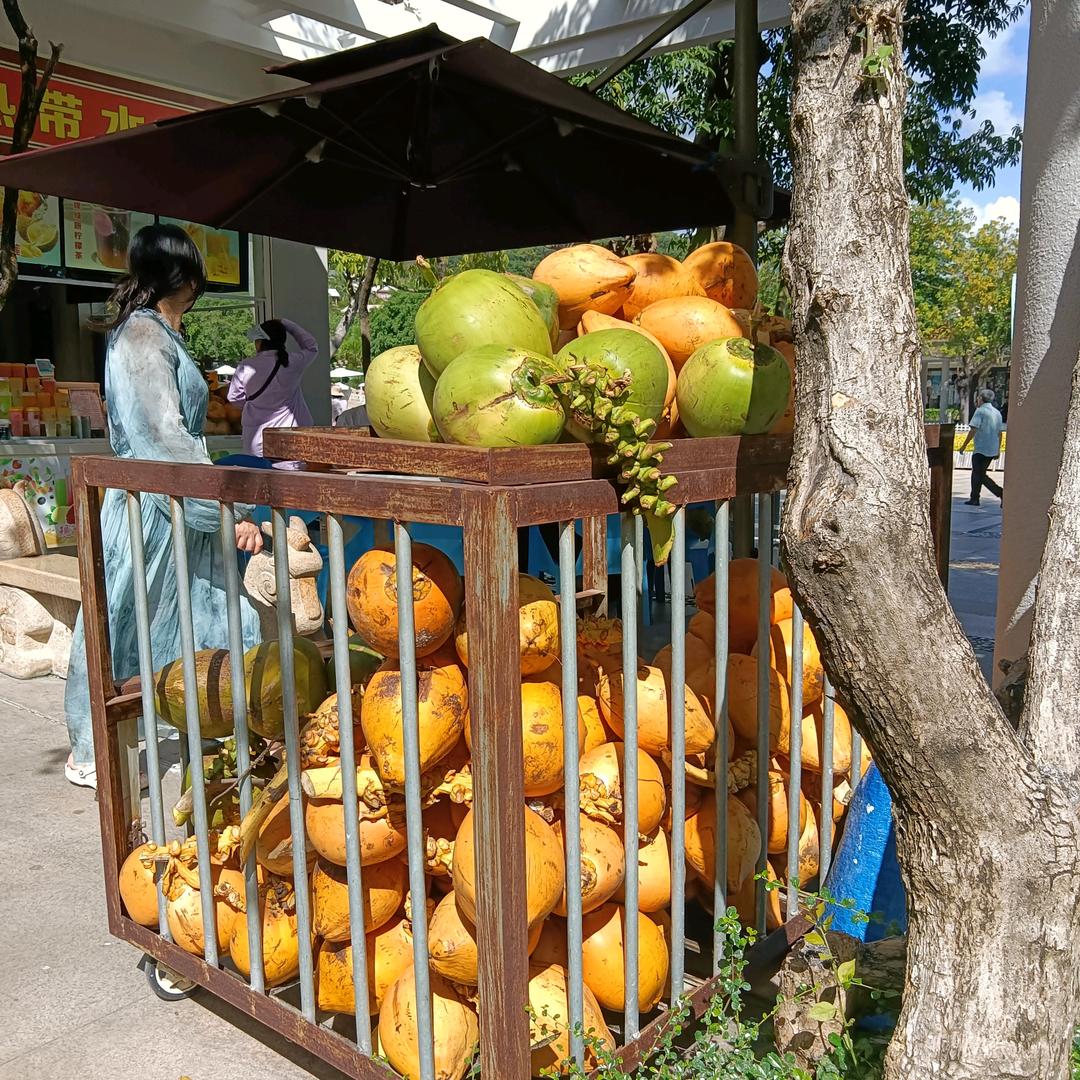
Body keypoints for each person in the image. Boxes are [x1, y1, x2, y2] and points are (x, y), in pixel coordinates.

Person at [64, 224, 264, 789]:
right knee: (127, 624)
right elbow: (164, 441)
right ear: (187, 278)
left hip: (171, 502)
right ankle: (96, 747)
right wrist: (226, 512)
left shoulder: (155, 334)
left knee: (191, 622)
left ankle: (205, 723)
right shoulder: (143, 339)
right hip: (153, 509)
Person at [228, 317, 318, 458]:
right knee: (291, 477)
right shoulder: (293, 362)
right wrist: (287, 324)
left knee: (260, 477)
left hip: (257, 440)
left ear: (261, 342)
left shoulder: (246, 366)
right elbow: (311, 347)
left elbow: (234, 398)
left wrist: (253, 405)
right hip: (291, 437)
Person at [960, 388, 1005, 507]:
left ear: (980, 398)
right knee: (979, 473)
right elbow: (1000, 433)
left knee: (978, 474)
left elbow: (973, 429)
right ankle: (975, 497)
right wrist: (998, 449)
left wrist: (964, 446)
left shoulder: (980, 411)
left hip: (981, 448)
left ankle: (1000, 493)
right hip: (992, 448)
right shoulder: (997, 413)